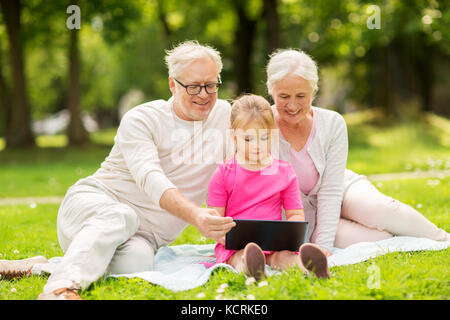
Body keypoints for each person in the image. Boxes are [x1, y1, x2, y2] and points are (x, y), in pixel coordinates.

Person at [0, 41, 236, 300]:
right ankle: (60, 288)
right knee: (121, 215)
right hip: (93, 206)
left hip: (145, 238)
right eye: (193, 86)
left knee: (136, 266)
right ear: (172, 84)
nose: (204, 94)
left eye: (211, 85)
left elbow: (266, 129)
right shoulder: (142, 119)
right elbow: (150, 178)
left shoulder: (226, 117)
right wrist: (196, 216)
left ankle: (41, 266)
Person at [265, 49, 450, 254]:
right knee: (378, 239)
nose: (292, 105)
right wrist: (319, 240)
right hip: (303, 215)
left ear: (314, 91)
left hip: (341, 190)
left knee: (382, 211)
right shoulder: (261, 127)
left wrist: (324, 246)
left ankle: (443, 239)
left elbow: (331, 190)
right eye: (284, 96)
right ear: (271, 91)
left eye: (301, 95)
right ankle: (399, 236)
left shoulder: (332, 123)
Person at [207, 94, 330, 280]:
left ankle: (308, 267)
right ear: (233, 136)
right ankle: (250, 266)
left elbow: (295, 214)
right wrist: (223, 237)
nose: (257, 146)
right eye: (248, 140)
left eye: (263, 138)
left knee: (283, 257)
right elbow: (213, 220)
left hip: (273, 244)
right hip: (235, 247)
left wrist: (291, 235)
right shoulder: (223, 173)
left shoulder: (284, 171)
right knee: (240, 256)